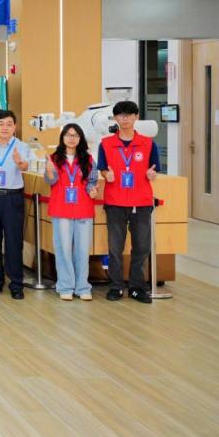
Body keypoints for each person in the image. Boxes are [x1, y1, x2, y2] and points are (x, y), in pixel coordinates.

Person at [98, 100, 159, 303]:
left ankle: (136, 287)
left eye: (129, 115)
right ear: (116, 118)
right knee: (115, 248)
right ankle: (116, 286)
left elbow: (154, 169)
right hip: (115, 202)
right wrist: (106, 175)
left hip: (141, 202)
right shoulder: (106, 143)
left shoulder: (148, 143)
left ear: (136, 117)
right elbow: (103, 168)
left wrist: (152, 175)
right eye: (121, 115)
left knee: (141, 247)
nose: (125, 119)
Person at [46, 123, 98, 301]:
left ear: (80, 138)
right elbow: (50, 181)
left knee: (82, 250)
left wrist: (93, 190)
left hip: (83, 209)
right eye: (68, 135)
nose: (71, 138)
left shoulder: (88, 159)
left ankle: (83, 287)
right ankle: (65, 286)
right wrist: (49, 172)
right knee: (63, 249)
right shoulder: (53, 158)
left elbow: (92, 181)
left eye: (75, 135)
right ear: (62, 138)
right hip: (61, 209)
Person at [0, 109, 31, 299]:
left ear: (15, 127)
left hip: (13, 198)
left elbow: (25, 166)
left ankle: (16, 284)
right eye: (1, 124)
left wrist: (19, 163)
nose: (5, 127)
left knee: (13, 241)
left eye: (9, 124)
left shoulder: (22, 146)